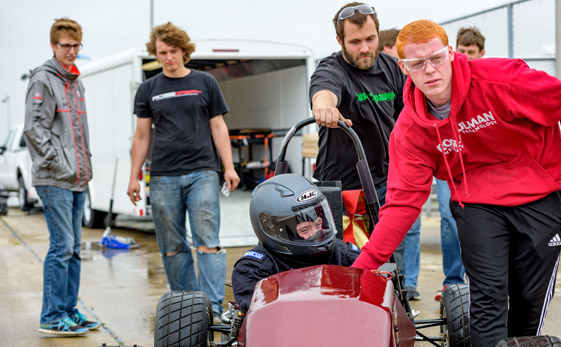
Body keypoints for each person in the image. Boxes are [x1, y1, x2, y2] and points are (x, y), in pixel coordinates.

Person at [352, 19, 561, 346]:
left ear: (451, 54)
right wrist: (361, 268)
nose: (430, 70)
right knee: (488, 301)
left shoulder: (502, 80)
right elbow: (402, 204)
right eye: (418, 64)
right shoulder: (410, 132)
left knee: (529, 302)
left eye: (436, 58)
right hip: (476, 204)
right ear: (404, 68)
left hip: (538, 196)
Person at [127, 22, 240, 320]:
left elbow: (218, 126)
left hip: (202, 171)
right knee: (172, 247)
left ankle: (213, 308)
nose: (168, 57)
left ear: (184, 51)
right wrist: (134, 176)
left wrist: (228, 166)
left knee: (207, 241)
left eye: (173, 51)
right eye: (162, 52)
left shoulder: (205, 82)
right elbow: (141, 136)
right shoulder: (148, 89)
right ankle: (188, 308)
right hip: (163, 175)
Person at [309, 2, 421, 301]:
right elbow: (323, 90)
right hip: (346, 190)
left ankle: (391, 317)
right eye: (355, 42)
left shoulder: (391, 70)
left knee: (389, 260)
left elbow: (409, 116)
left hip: (387, 182)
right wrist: (324, 107)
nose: (364, 48)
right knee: (351, 260)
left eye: (370, 39)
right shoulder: (331, 68)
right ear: (340, 41)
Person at [24, 17, 100, 336]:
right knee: (62, 246)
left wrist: (80, 167)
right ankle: (52, 315)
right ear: (53, 46)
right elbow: (34, 128)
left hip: (78, 178)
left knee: (74, 248)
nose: (71, 51)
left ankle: (68, 310)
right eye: (65, 45)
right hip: (55, 177)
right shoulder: (44, 79)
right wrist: (56, 163)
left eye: (76, 45)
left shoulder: (75, 81)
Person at [380, 28, 465, 302]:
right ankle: (399, 282)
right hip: (405, 158)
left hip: (444, 154)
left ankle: (447, 282)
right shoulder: (386, 80)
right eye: (412, 63)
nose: (424, 69)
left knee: (450, 216)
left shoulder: (429, 77)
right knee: (399, 221)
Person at [231, 174, 360, 313]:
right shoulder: (254, 269)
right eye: (305, 229)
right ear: (273, 230)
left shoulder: (341, 253)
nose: (316, 234)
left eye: (318, 225)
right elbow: (261, 317)